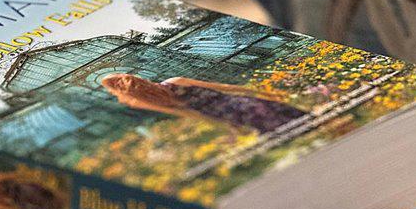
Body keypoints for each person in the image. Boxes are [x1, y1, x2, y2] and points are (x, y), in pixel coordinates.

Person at [98, 72, 309, 134]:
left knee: (283, 131)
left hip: (226, 115)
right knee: (300, 120)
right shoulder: (174, 82)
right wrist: (254, 91)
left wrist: (226, 126)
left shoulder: (146, 102)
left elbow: (189, 115)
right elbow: (221, 86)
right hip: (239, 102)